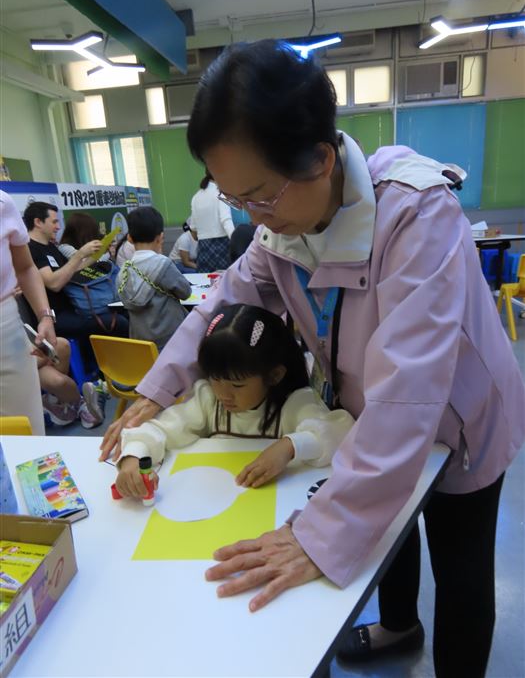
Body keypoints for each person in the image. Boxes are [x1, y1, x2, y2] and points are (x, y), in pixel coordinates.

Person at [100, 40, 525, 678]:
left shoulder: (415, 213)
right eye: (236, 200)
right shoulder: (281, 229)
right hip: (374, 413)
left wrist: (317, 535)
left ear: (321, 160)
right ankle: (399, 625)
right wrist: (157, 390)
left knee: (461, 565)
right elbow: (222, 302)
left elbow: (409, 392)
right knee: (388, 525)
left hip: (458, 420)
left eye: (259, 196)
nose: (253, 217)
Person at [114, 304, 353, 498]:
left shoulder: (294, 403)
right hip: (215, 499)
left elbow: (340, 431)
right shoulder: (208, 398)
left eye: (237, 385)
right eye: (215, 379)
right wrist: (135, 456)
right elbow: (160, 428)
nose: (223, 394)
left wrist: (290, 447)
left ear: (274, 375)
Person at [23, 202, 128, 347]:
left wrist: (94, 255)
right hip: (55, 316)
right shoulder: (30, 249)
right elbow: (54, 284)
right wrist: (80, 254)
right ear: (38, 222)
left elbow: (72, 271)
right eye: (54, 222)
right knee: (118, 322)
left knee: (123, 312)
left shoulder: (50, 246)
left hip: (74, 306)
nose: (58, 227)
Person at [0, 190, 56, 435]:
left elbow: (25, 267)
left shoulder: (3, 203)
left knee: (27, 432)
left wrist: (45, 316)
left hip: (5, 329)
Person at [117, 206, 192, 351]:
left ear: (129, 238)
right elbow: (185, 292)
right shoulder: (163, 264)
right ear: (161, 237)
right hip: (173, 341)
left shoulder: (123, 271)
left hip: (142, 346)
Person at [36, 336, 105, 429]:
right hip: (21, 366)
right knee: (59, 382)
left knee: (63, 345)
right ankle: (79, 402)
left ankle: (58, 400)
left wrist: (45, 324)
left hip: (28, 352)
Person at [191, 175, 234, 272]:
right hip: (222, 246)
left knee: (204, 280)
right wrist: (236, 241)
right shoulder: (221, 194)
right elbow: (226, 220)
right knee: (224, 280)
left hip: (203, 248)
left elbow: (193, 230)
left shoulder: (195, 197)